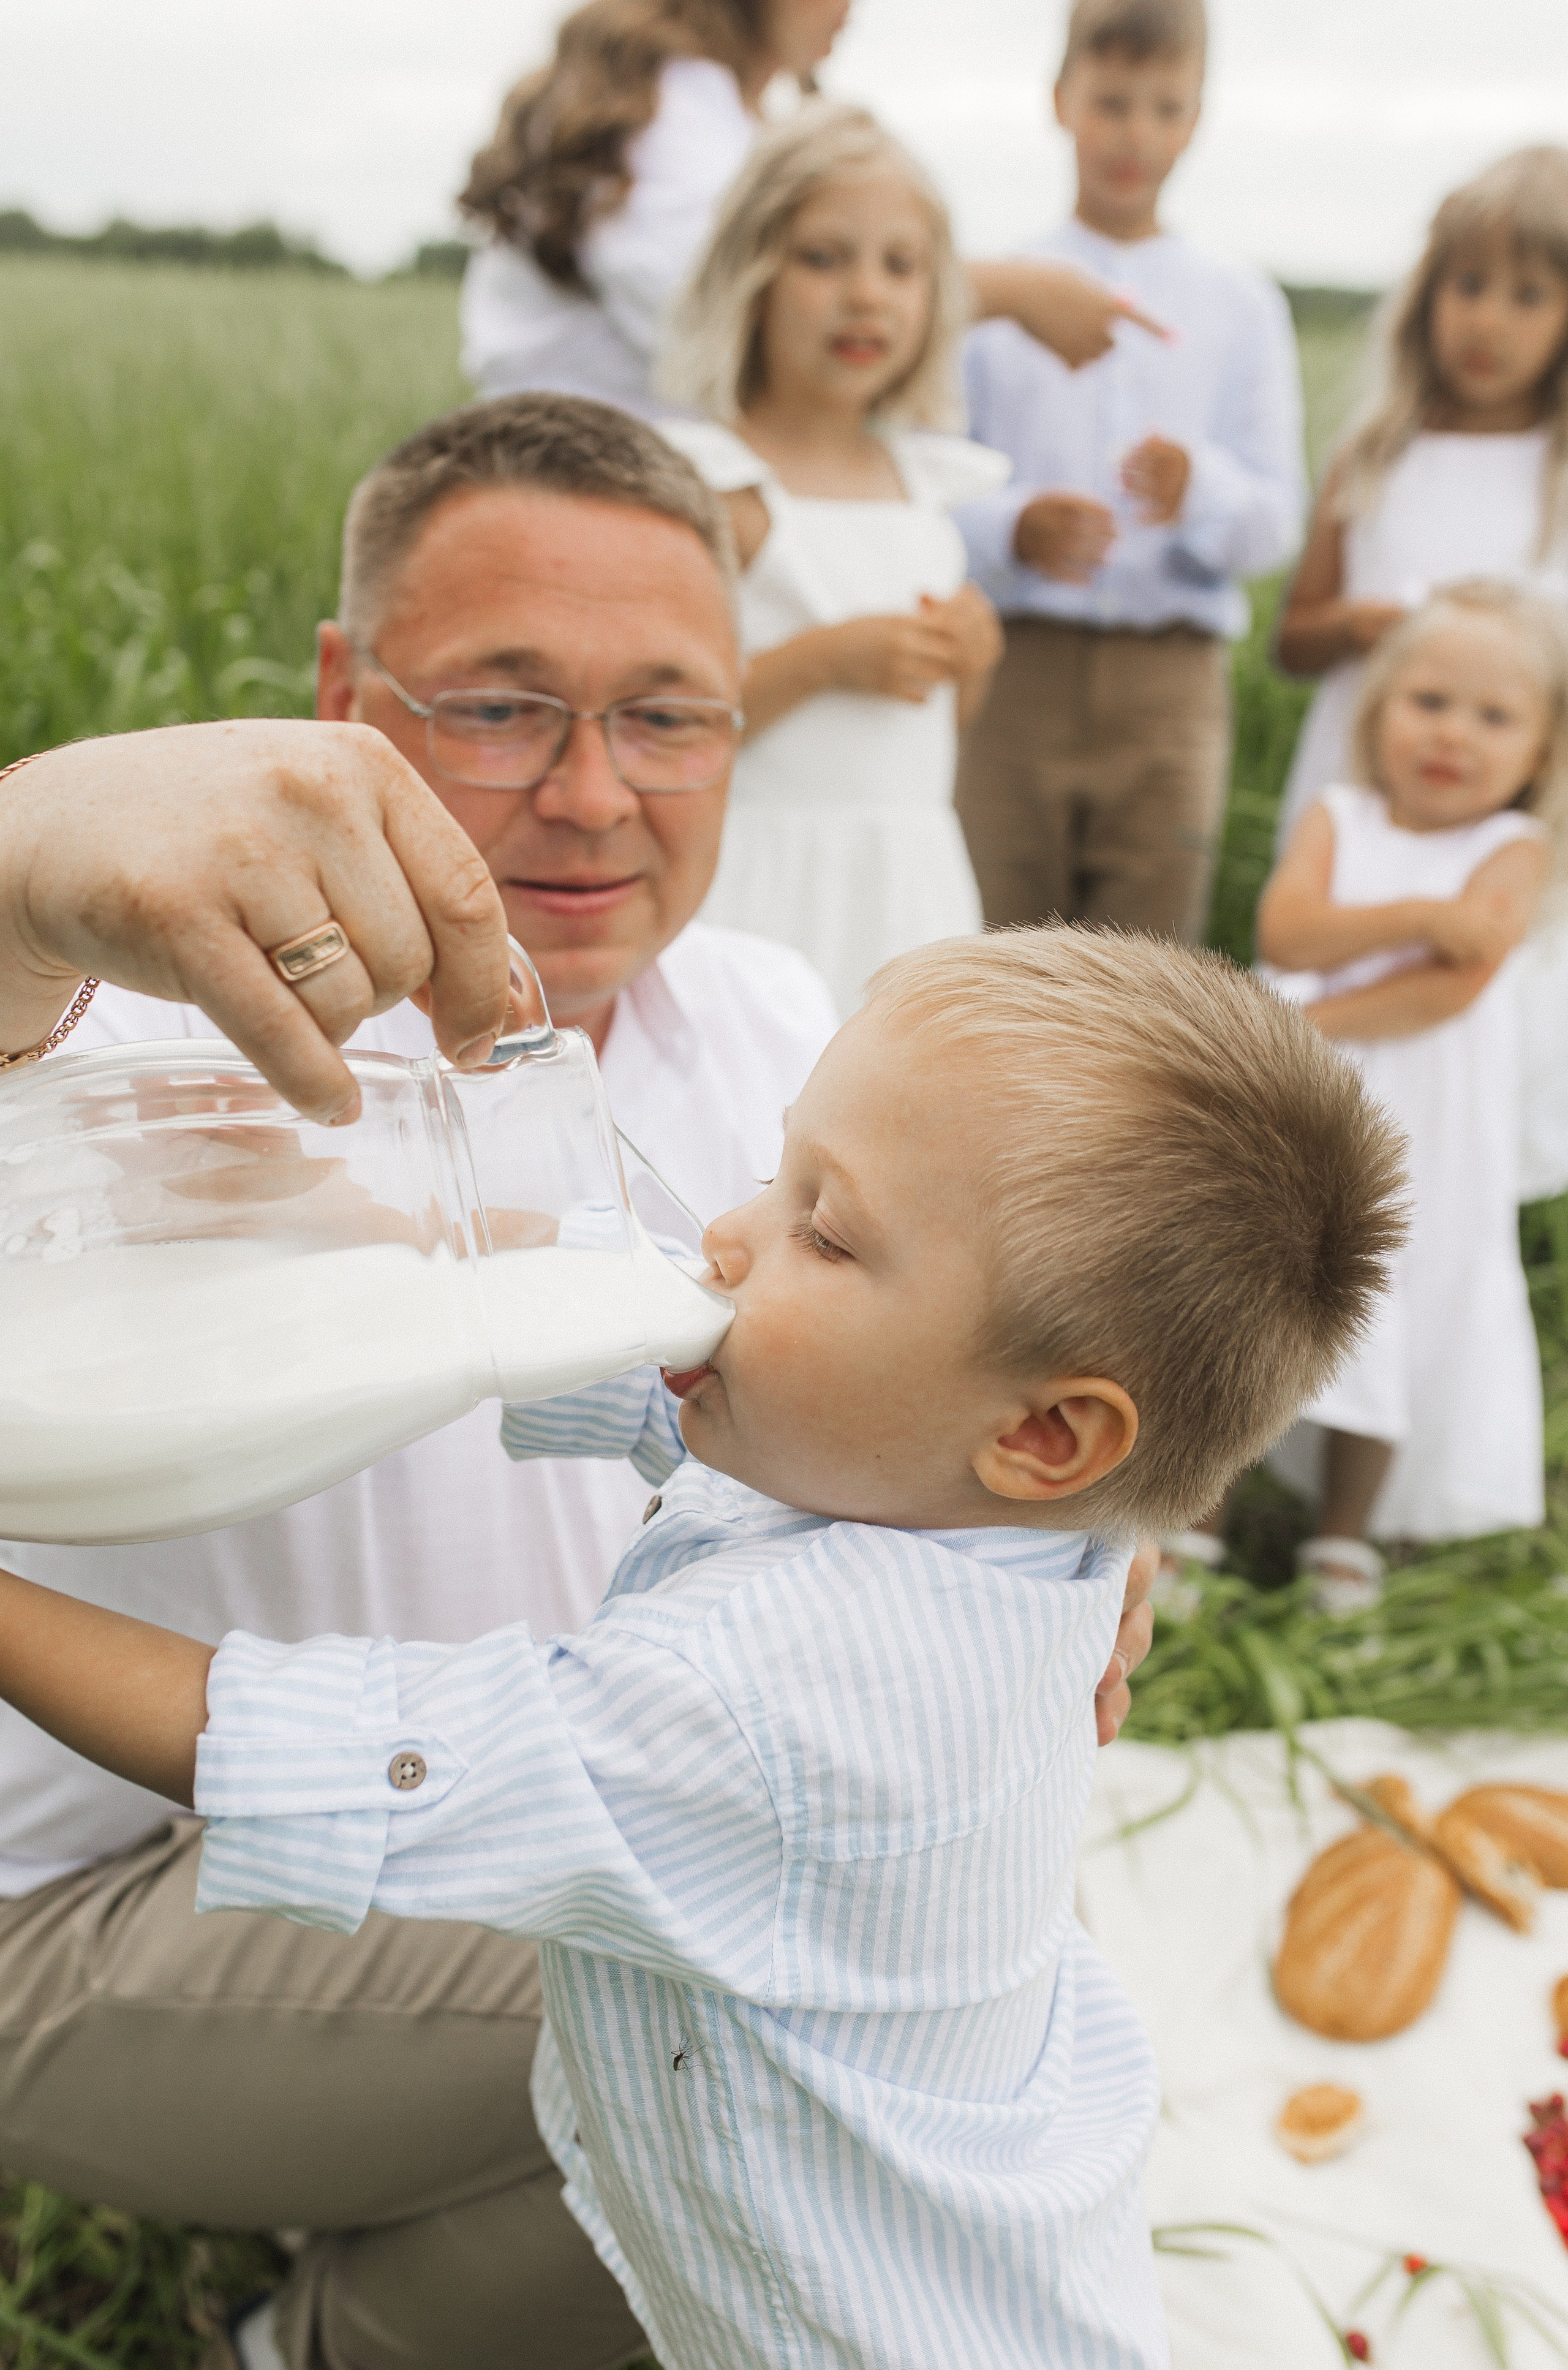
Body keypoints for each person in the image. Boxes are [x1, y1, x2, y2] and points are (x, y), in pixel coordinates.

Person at [0, 399, 1156, 2370]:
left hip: (505, 1778)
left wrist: (1068, 1520)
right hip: (110, 1879)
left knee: (916, 1943)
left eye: (670, 715)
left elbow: (968, 1361)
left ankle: (353, 2312)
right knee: (785, 1988)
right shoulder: (143, 1022)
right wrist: (19, 861)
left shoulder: (796, 1028)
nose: (595, 793)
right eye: (503, 704)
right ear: (345, 697)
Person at [0, 926, 1404, 2370]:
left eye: (824, 1227)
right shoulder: (981, 1490)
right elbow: (630, 1334)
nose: (729, 1236)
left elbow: (266, 1732)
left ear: (1043, 1432)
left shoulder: (786, 1697)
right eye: (774, 1171)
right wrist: (371, 1217)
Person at [953, 0, 1304, 942]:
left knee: (1146, 971)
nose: (1135, 134)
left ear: (1196, 116)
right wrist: (1012, 526)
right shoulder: (998, 289)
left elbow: (1276, 526)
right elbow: (935, 484)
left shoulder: (1243, 305)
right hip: (1015, 666)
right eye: (1112, 102)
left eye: (1164, 107)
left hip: (1171, 686)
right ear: (1061, 100)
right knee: (997, 952)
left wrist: (1204, 492)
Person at [1256, 583, 1567, 1609]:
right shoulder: (1337, 815)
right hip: (1298, 1097)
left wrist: (1315, 1023)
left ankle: (1343, 1534)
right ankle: (1199, 1510)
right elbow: (1289, 934)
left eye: (1494, 717)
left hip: (1424, 1117)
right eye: (1429, 700)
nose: (1453, 735)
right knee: (1250, 1275)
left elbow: (1454, 983)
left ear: (1541, 747)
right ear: (1377, 707)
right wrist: (1425, 912)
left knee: (1400, 1291)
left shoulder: (1512, 849)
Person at [656, 105, 1005, 1014]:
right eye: (824, 258)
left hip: (907, 880)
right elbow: (663, 724)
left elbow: (933, 730)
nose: (867, 294)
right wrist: (826, 662)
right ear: (752, 277)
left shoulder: (924, 487)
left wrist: (975, 656)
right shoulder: (722, 491)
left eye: (901, 265)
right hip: (768, 880)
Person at [458, 0, 1171, 414]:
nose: (849, 11)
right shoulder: (667, 114)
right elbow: (713, 301)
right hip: (574, 501)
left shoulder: (712, 114)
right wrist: (1012, 292)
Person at [1272, 145, 1568, 849]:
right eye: (1468, 284)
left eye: (1527, 296)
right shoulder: (1374, 456)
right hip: (1354, 800)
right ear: (1427, 291)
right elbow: (1292, 640)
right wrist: (1354, 626)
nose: (1488, 321)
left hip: (1513, 829)